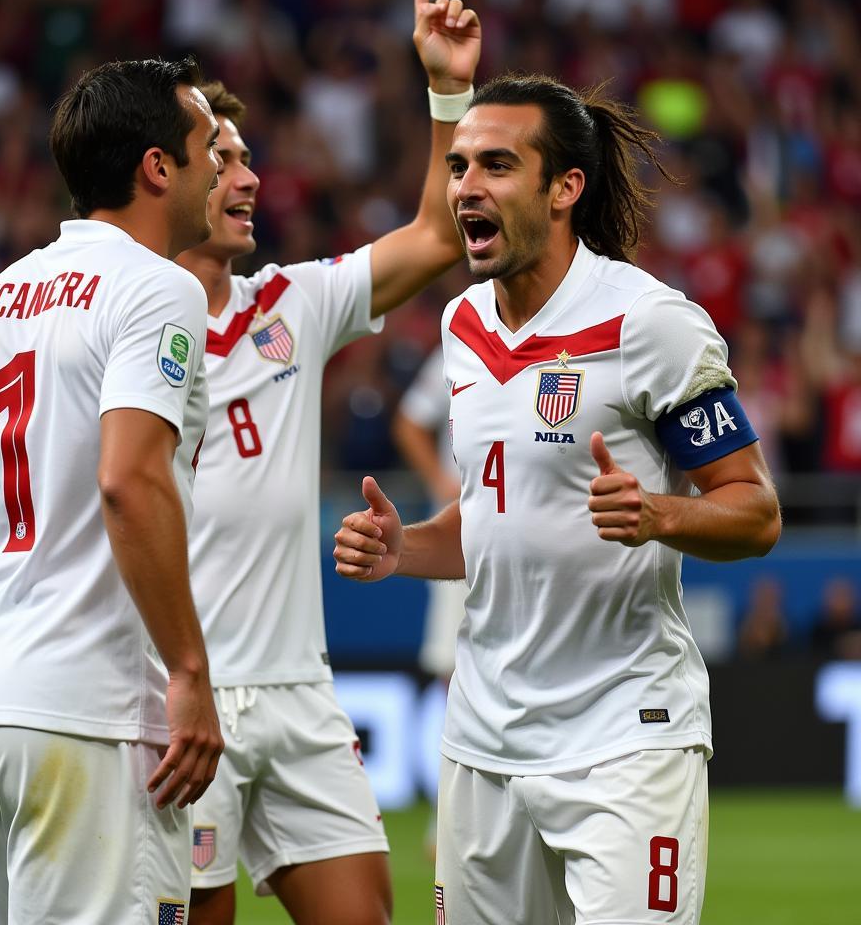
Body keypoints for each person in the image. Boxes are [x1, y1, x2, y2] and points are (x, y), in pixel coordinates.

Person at [333, 73, 782, 924]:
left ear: (565, 187)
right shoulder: (463, 326)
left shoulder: (648, 324)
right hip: (483, 740)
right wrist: (407, 549)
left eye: (497, 164)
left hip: (625, 734)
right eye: (460, 165)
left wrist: (661, 515)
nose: (467, 184)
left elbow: (754, 511)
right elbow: (496, 520)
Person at [0, 57, 225, 925]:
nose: (222, 165)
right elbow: (129, 478)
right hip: (87, 713)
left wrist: (26, 574)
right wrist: (188, 669)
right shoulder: (158, 288)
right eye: (207, 146)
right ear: (157, 168)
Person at [174, 0, 480, 925]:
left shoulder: (288, 305)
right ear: (166, 174)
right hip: (181, 693)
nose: (249, 176)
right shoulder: (119, 324)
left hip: (299, 689)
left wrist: (447, 90)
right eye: (222, 159)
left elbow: (435, 237)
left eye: (248, 157)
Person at [392, 346, 467, 859]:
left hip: (529, 532)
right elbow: (409, 422)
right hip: (461, 535)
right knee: (453, 674)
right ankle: (450, 815)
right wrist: (441, 483)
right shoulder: (458, 344)